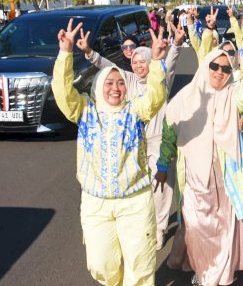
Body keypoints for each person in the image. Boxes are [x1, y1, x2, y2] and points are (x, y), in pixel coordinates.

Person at [52, 19, 167, 285]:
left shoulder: (135, 110)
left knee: (140, 264)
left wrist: (157, 63)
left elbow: (155, 97)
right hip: (96, 203)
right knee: (101, 264)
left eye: (120, 83)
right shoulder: (85, 110)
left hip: (135, 202)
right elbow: (62, 92)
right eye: (109, 83)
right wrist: (65, 53)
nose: (115, 88)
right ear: (98, 86)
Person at [155, 44, 243, 286]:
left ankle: (213, 275)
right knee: (196, 226)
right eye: (214, 66)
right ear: (206, 66)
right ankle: (203, 266)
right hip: (193, 175)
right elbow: (169, 135)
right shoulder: (184, 98)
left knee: (224, 227)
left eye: (225, 68)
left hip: (225, 174)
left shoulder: (232, 93)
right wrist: (163, 166)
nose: (219, 72)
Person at [79, 23, 184, 251]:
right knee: (139, 189)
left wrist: (175, 43)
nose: (138, 66)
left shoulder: (161, 77)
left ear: (150, 62)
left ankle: (159, 228)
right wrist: (89, 53)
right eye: (135, 62)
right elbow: (108, 67)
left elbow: (172, 60)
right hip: (135, 145)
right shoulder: (128, 79)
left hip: (159, 142)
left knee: (161, 187)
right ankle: (142, 225)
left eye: (142, 62)